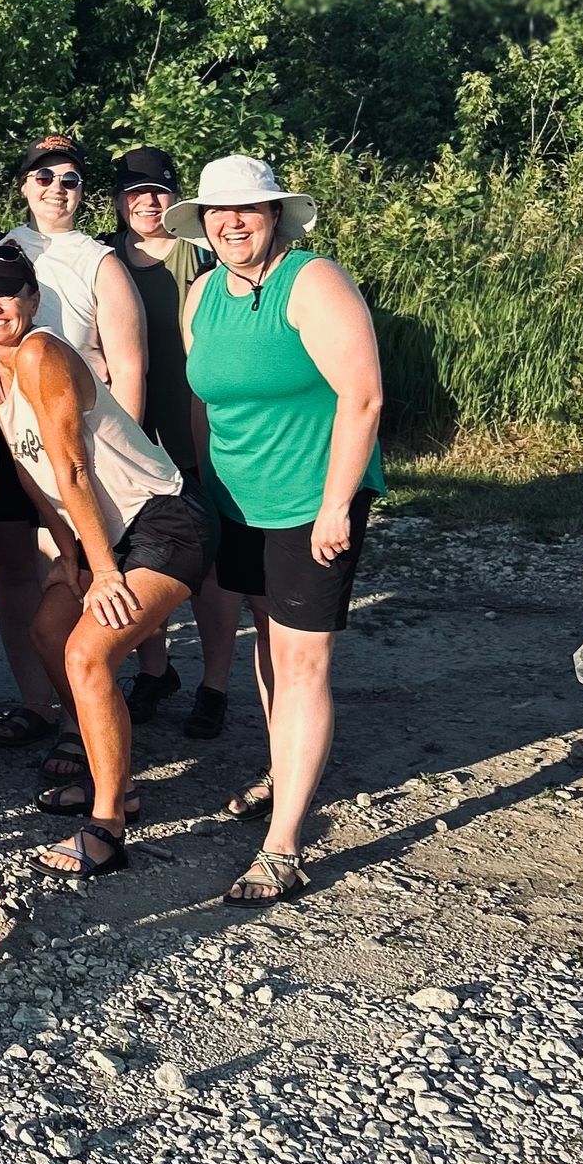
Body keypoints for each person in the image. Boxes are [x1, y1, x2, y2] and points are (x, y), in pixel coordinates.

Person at [0, 240, 216, 881]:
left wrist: (100, 571)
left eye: (7, 292)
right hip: (100, 532)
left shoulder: (44, 352)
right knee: (48, 631)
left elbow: (72, 464)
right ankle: (113, 775)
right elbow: (30, 469)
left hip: (162, 520)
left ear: (32, 299)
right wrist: (68, 555)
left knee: (87, 652)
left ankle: (108, 822)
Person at [175, 156, 385, 905]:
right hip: (237, 500)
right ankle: (281, 768)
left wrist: (336, 505)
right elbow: (205, 404)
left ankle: (284, 844)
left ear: (275, 216)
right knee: (266, 645)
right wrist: (203, 487)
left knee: (302, 663)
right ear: (202, 224)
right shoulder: (202, 293)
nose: (232, 223)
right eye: (218, 213)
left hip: (309, 500)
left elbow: (362, 397)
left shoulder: (314, 281)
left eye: (248, 211)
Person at [0, 137, 147, 746]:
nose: (56, 188)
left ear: (84, 193)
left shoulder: (100, 261)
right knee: (15, 574)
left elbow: (128, 367)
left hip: (82, 453)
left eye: (70, 179)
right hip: (15, 445)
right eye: (43, 176)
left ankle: (93, 717)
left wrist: (115, 465)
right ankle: (37, 702)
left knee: (81, 577)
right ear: (24, 186)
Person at [109, 146, 243, 736]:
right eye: (134, 192)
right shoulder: (102, 258)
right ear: (117, 199)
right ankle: (154, 669)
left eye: (159, 192)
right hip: (127, 438)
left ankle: (214, 685)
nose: (147, 203)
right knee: (142, 556)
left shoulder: (203, 258)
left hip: (198, 433)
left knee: (211, 567)